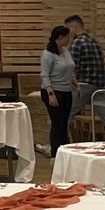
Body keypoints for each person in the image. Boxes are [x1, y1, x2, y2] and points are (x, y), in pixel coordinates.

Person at [65, 15, 105, 139]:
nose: (67, 33)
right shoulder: (94, 42)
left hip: (83, 85)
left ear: (74, 27)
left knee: (65, 115)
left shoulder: (77, 43)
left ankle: (58, 144)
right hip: (98, 86)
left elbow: (72, 67)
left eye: (68, 29)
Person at [39, 24, 77, 157]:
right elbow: (44, 75)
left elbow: (70, 69)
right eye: (67, 37)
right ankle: (55, 153)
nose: (69, 39)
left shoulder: (65, 51)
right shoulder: (48, 54)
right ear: (60, 37)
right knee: (57, 123)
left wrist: (76, 84)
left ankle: (63, 152)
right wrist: (51, 94)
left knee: (64, 122)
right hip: (53, 91)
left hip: (66, 90)